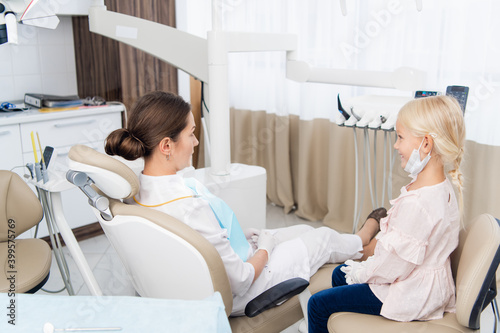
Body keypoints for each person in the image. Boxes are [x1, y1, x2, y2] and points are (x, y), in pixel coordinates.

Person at [105, 91, 383, 316]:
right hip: (242, 290)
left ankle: (357, 248)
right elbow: (240, 279)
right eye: (190, 134)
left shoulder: (138, 192)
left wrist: (241, 239)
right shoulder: (188, 207)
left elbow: (203, 244)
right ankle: (362, 243)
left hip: (213, 272)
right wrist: (264, 248)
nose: (196, 141)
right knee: (320, 237)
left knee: (304, 232)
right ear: (166, 146)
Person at [307, 95, 466, 332]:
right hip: (416, 281)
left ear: (425, 144)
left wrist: (363, 272)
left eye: (400, 137)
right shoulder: (438, 187)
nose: (396, 145)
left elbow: (392, 269)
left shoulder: (419, 204)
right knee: (342, 272)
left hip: (410, 293)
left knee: (317, 304)